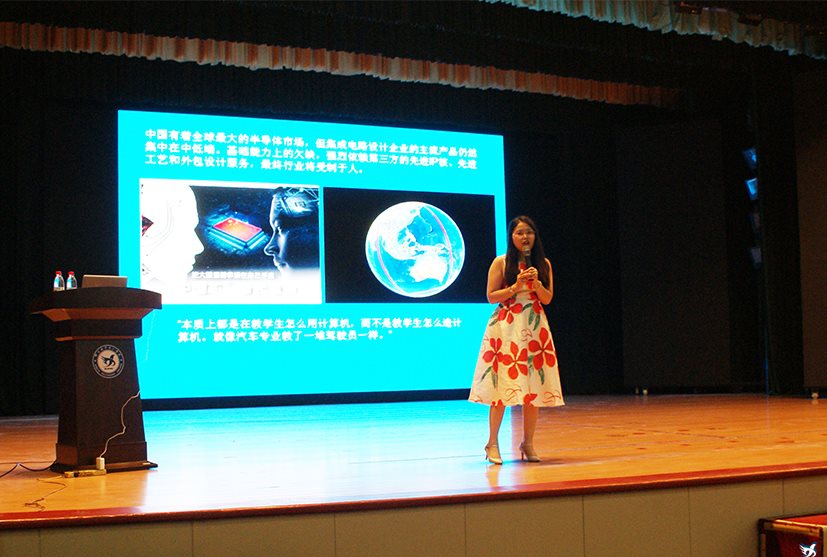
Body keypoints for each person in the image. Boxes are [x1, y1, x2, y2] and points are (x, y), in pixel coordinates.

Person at [469, 215, 564, 464]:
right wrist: (516, 286)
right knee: (502, 386)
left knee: (533, 388)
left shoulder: (543, 264)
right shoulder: (501, 262)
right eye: (520, 233)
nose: (525, 237)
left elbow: (547, 298)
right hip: (507, 326)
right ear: (511, 236)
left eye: (529, 232)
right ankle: (492, 443)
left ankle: (528, 443)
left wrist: (536, 284)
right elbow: (491, 296)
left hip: (534, 326)